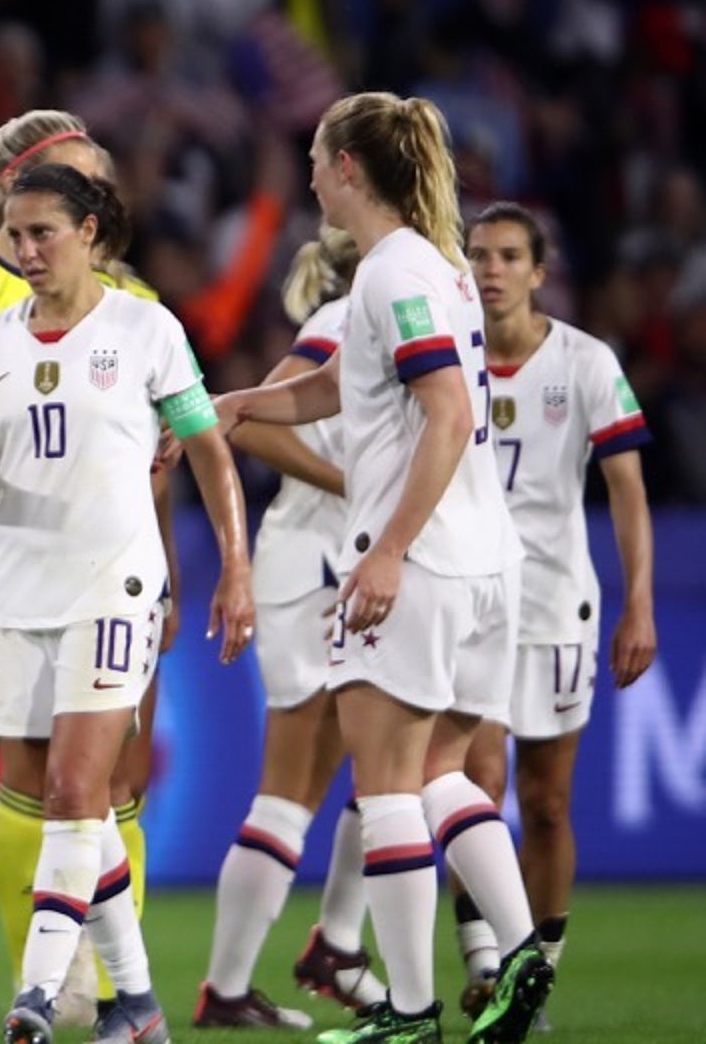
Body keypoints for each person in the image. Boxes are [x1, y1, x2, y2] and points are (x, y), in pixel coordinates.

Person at [209, 93, 552, 1044]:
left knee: (389, 783)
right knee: (443, 771)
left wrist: (390, 548)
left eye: (319, 158)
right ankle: (520, 951)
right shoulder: (433, 269)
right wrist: (243, 403)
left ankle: (410, 1012)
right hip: (488, 560)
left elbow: (443, 412)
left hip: (425, 559)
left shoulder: (395, 272)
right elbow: (348, 389)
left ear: (350, 168)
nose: (312, 174)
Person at [0, 163, 255, 1044]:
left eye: (43, 232)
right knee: (60, 799)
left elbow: (207, 450)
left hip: (113, 583)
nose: (26, 251)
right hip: (21, 592)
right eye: (15, 235)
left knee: (72, 792)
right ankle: (136, 1004)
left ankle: (39, 998)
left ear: (92, 232)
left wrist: (235, 565)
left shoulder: (145, 329)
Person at [0, 111, 175, 1027]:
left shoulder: (126, 303)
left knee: (100, 779)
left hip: (99, 564)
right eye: (72, 177)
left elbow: (161, 448)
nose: (86, 196)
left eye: (93, 185)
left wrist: (167, 564)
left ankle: (78, 982)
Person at [449, 202, 655, 1023]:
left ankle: (538, 978)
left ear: (539, 272)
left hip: (555, 605)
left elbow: (628, 490)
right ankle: (486, 960)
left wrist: (638, 601)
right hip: (464, 599)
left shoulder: (586, 362)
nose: (489, 269)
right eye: (477, 255)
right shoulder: (444, 359)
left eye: (507, 256)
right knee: (477, 784)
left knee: (545, 803)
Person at [194, 229, 391, 1028]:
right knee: (298, 790)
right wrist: (354, 485)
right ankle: (281, 968)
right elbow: (250, 424)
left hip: (329, 571)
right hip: (311, 571)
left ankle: (276, 972)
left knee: (356, 777)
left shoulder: (373, 323)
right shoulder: (343, 323)